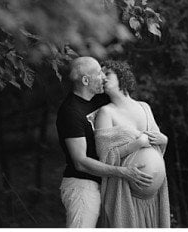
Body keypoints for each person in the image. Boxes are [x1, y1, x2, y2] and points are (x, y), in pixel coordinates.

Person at [55, 56, 154, 227]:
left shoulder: (100, 100)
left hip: (109, 185)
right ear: (86, 80)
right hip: (82, 187)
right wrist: (123, 172)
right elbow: (80, 162)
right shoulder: (70, 112)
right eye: (99, 73)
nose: (104, 77)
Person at [94, 60, 170, 227]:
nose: (102, 78)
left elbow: (156, 147)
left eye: (107, 74)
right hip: (124, 194)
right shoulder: (106, 112)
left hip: (154, 198)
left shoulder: (144, 107)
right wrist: (135, 145)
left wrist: (164, 140)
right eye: (100, 75)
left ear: (122, 76)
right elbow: (104, 157)